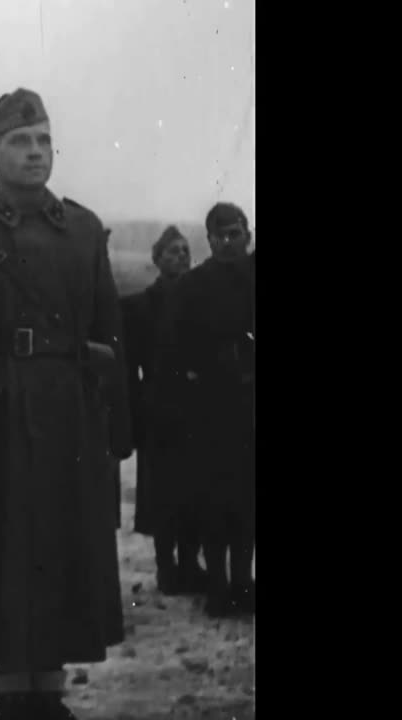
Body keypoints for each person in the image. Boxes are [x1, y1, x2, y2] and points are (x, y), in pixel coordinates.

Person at [0, 88, 130, 720]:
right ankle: (14, 689)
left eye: (43, 141)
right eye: (19, 142)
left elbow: (110, 328)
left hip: (70, 411)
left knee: (64, 544)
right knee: (7, 550)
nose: (35, 152)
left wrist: (115, 419)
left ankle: (50, 688)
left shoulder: (84, 228)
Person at [166, 202, 254, 619]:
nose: (228, 242)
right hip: (210, 411)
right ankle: (218, 587)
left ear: (248, 235)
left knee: (248, 502)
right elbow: (174, 349)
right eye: (220, 235)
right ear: (209, 239)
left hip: (251, 408)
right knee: (214, 502)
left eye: (235, 233)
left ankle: (243, 582)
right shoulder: (193, 286)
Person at [121, 226, 207, 595]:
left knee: (195, 488)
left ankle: (189, 564)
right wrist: (135, 411)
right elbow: (129, 367)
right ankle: (166, 568)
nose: (181, 257)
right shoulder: (140, 306)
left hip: (197, 408)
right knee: (161, 492)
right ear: (157, 259)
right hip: (158, 408)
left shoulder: (201, 303)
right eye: (172, 251)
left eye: (185, 250)